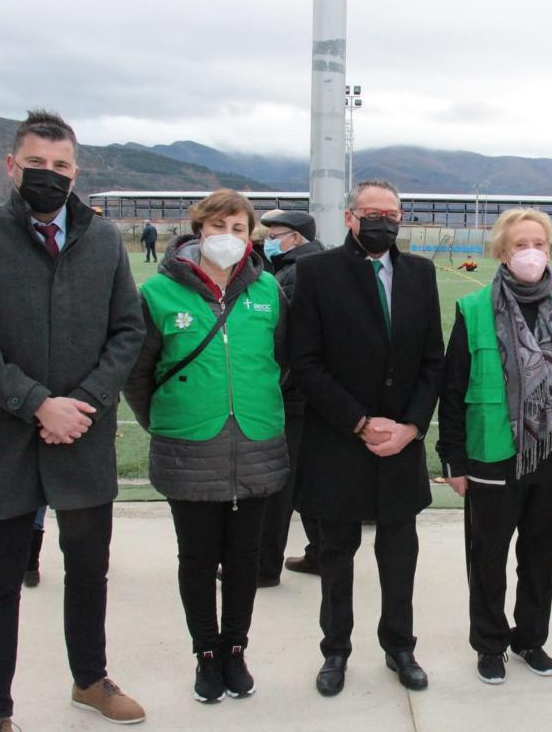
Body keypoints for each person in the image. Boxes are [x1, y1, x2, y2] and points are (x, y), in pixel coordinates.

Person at [0, 110, 146, 730]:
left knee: (88, 572)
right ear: (12, 165)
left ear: (76, 171)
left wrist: (81, 402)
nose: (48, 176)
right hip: (7, 441)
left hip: (83, 439)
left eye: (60, 166)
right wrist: (36, 403)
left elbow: (127, 330)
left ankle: (89, 680)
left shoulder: (105, 240)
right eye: (36, 164)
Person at [123, 189, 290, 703]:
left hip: (257, 443)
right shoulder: (158, 294)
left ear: (250, 235)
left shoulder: (268, 291)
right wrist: (167, 420)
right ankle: (207, 654)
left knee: (244, 559)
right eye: (218, 227)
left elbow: (283, 361)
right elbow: (138, 373)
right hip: (189, 447)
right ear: (199, 231)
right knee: (197, 558)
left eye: (239, 229)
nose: (229, 237)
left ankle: (235, 649)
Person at [289, 179, 445, 697]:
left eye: (393, 213)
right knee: (336, 554)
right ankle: (335, 650)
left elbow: (432, 362)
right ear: (352, 217)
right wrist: (359, 421)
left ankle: (400, 646)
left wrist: (412, 427)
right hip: (339, 441)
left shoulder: (420, 274)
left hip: (401, 445)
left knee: (400, 554)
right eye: (373, 212)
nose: (384, 220)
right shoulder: (316, 272)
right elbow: (305, 363)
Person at [437, 208, 552, 683]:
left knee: (540, 556)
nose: (530, 252)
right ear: (502, 252)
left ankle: (531, 638)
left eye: (538, 243)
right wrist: (453, 458)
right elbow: (453, 389)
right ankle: (490, 643)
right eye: (518, 244)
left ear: (551, 248)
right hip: (493, 454)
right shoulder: (474, 309)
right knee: (487, 556)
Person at [259, 209, 326, 581]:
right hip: (310, 395)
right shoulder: (310, 266)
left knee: (280, 483)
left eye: (275, 233)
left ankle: (263, 564)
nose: (268, 239)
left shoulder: (294, 274)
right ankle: (320, 553)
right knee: (307, 479)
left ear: (295, 238)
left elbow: (284, 339)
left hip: (292, 393)